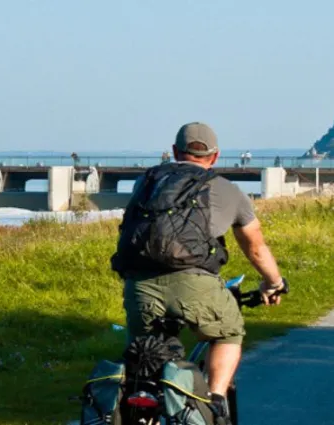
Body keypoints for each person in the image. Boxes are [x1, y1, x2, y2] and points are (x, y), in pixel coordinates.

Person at [113, 122, 286, 421]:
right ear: (215, 156)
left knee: (145, 358)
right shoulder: (228, 190)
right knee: (229, 333)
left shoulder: (146, 181)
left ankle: (142, 402)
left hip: (140, 286)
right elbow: (256, 248)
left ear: (174, 151)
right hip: (195, 285)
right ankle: (216, 402)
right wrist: (274, 283)